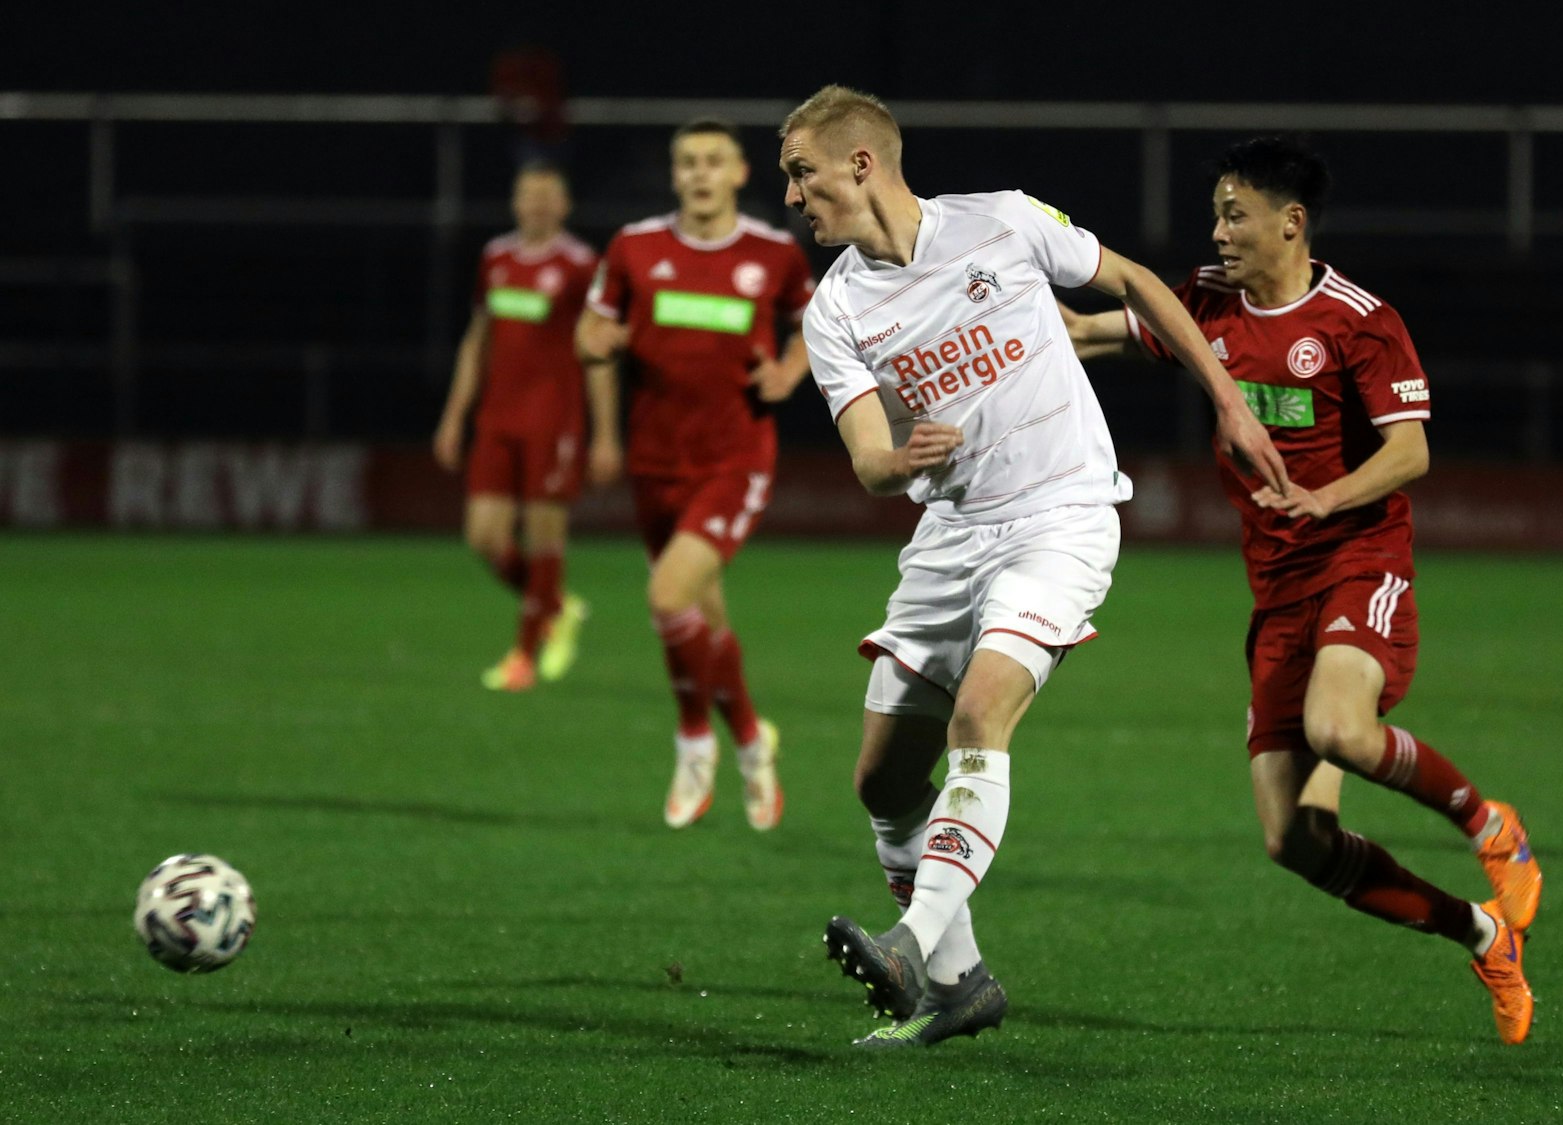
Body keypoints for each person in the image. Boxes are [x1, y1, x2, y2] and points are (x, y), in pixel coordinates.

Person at [778, 85, 1287, 1050]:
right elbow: (869, 461)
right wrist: (903, 458)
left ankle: (913, 941)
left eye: (801, 172)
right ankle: (962, 984)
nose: (794, 195)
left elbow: (1136, 282)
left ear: (860, 163)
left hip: (1060, 516)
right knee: (883, 781)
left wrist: (1228, 400)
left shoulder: (1004, 222)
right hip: (949, 535)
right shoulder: (835, 308)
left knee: (982, 713)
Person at [1066, 137, 1539, 1045]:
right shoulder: (1203, 301)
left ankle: (1493, 824)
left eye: (1234, 214)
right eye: (1216, 214)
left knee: (1339, 729)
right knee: (1293, 841)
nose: (1219, 231)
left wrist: (1326, 494)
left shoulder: (1359, 320)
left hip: (1360, 558)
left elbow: (1412, 450)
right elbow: (1090, 330)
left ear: (1290, 223)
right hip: (1277, 591)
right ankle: (1480, 932)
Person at [577, 120, 815, 833]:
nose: (701, 173)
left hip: (734, 458)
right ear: (675, 175)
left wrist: (787, 372)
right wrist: (604, 423)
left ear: (741, 172)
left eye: (714, 161)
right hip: (656, 460)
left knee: (667, 594)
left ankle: (693, 742)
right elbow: (592, 336)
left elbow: (816, 324)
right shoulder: (635, 247)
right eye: (688, 162)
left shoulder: (772, 254)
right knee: (702, 616)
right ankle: (751, 742)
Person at [433, 163, 614, 692]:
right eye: (527, 195)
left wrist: (605, 433)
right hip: (497, 418)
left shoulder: (581, 265)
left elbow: (599, 353)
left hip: (553, 420)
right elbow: (477, 339)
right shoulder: (497, 258)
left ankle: (523, 655)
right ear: (515, 203)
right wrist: (453, 416)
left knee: (543, 540)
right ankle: (557, 606)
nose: (536, 205)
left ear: (564, 205)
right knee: (484, 538)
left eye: (546, 196)